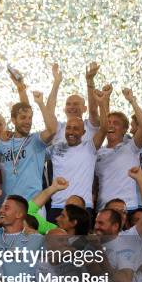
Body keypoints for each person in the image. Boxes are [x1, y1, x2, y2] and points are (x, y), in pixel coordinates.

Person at [46, 83, 110, 221]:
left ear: (83, 132)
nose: (71, 132)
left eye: (76, 129)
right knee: (53, 242)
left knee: (80, 243)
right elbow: (48, 117)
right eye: (69, 128)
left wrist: (102, 104)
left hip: (82, 206)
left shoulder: (90, 148)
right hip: (57, 206)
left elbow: (104, 128)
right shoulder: (55, 148)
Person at [0, 89, 58, 204]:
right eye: (23, 117)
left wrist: (41, 103)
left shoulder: (35, 140)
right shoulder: (4, 142)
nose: (28, 121)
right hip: (11, 206)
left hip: (34, 205)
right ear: (13, 120)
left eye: (30, 117)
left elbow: (52, 130)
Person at [95, 87, 142, 212]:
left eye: (116, 123)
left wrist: (132, 100)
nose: (111, 125)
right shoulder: (97, 152)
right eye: (108, 123)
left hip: (127, 208)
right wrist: (104, 100)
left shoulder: (131, 146)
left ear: (125, 129)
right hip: (103, 209)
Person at [51, 62, 101, 144]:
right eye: (68, 104)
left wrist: (90, 80)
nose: (71, 107)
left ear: (85, 109)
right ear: (64, 109)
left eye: (76, 104)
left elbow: (93, 110)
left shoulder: (90, 126)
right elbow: (49, 113)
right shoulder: (58, 127)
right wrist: (56, 82)